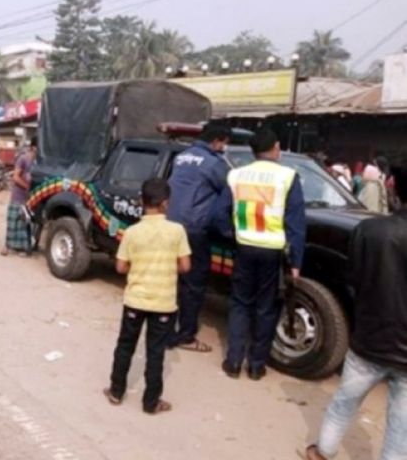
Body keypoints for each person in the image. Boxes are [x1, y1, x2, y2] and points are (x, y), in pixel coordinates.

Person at [302, 180, 407, 460]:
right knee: (401, 424)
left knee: (344, 403)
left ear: (396, 194)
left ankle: (323, 452)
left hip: (369, 340)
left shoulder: (369, 230)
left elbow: (354, 279)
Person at [212, 128, 306, 380]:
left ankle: (233, 362)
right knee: (265, 307)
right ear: (275, 147)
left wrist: (232, 235)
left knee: (240, 303)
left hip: (244, 248)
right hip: (272, 252)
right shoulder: (288, 176)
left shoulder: (236, 175)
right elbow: (296, 224)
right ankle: (256, 366)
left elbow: (219, 215)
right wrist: (295, 262)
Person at [104, 178, 191, 414]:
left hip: (135, 300)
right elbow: (185, 266)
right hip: (164, 304)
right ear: (165, 204)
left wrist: (140, 266)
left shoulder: (132, 232)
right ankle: (151, 402)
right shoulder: (177, 231)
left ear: (142, 202)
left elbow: (121, 267)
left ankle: (116, 391)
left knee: (125, 346)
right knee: (156, 352)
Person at [165, 124, 231, 353]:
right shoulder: (214, 163)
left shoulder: (182, 157)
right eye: (224, 143)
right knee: (193, 284)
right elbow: (231, 190)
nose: (224, 148)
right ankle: (185, 336)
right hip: (194, 230)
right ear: (216, 141)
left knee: (172, 280)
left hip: (171, 225)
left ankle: (165, 330)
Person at [1, 137, 37, 256]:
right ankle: (7, 246)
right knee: (13, 221)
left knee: (25, 223)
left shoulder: (38, 162)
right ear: (33, 147)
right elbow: (16, 177)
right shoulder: (23, 159)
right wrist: (26, 186)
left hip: (30, 197)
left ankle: (23, 247)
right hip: (19, 195)